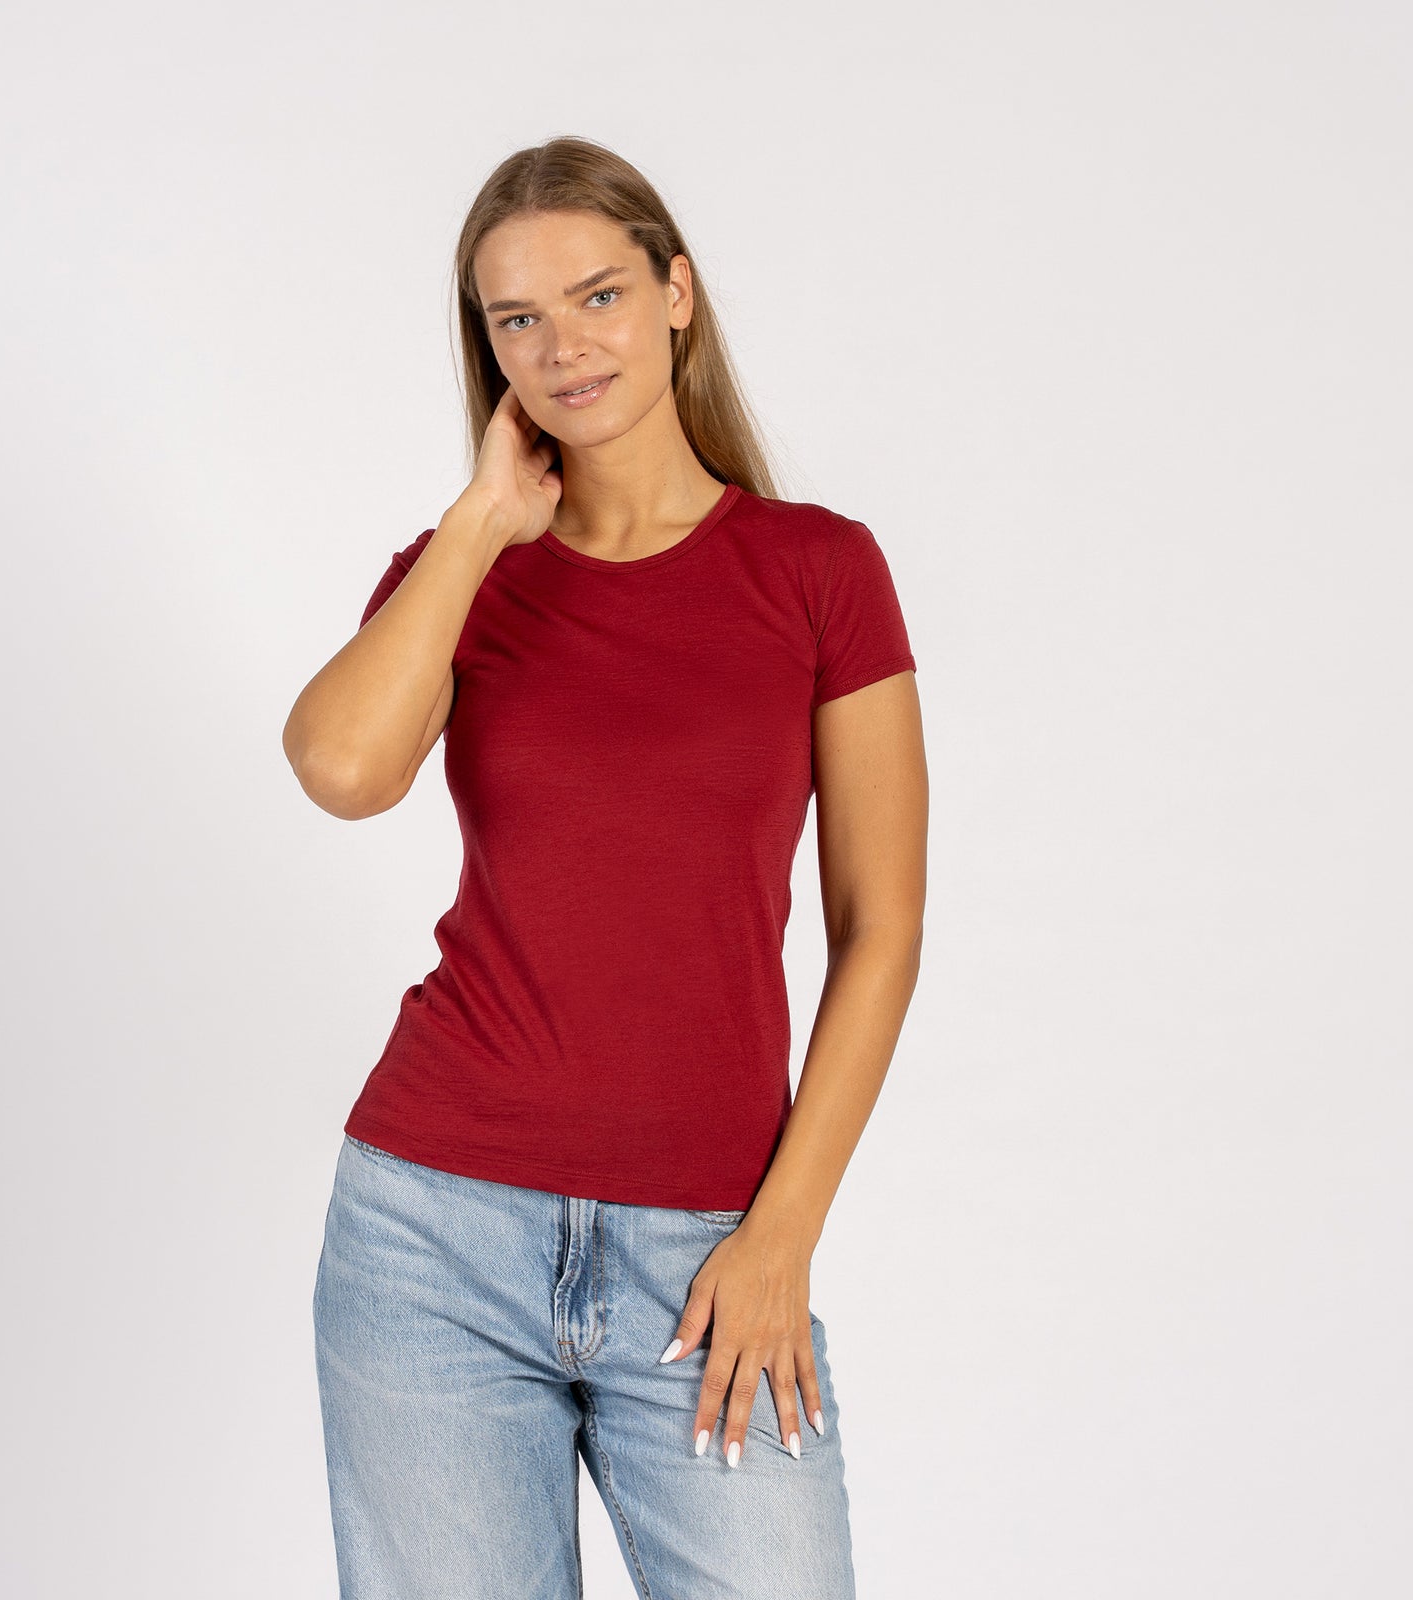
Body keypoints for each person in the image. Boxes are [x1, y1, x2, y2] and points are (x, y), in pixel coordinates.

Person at [282, 134, 928, 1599]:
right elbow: (339, 768)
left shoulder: (817, 572)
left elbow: (879, 925)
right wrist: (478, 524)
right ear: (487, 348)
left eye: (597, 297)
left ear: (677, 293)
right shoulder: (466, 576)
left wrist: (781, 1237)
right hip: (430, 1235)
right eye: (518, 320)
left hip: (709, 1256)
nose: (564, 347)